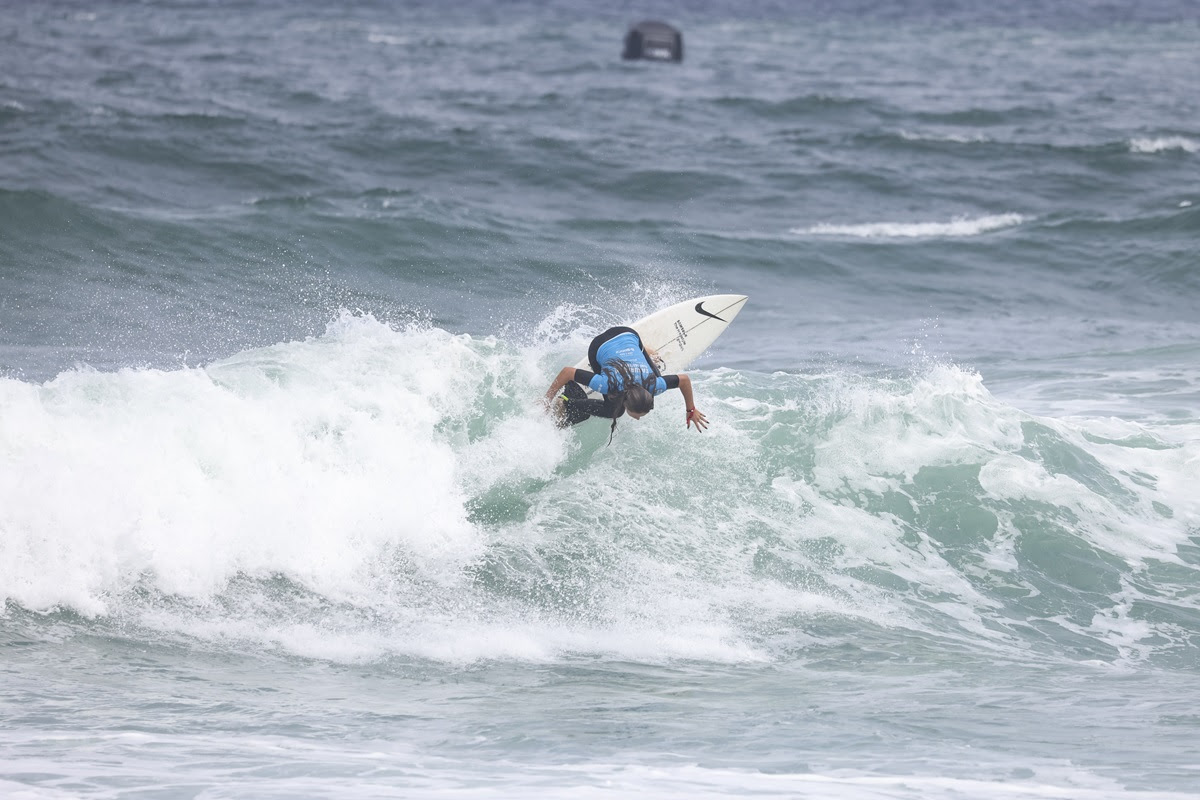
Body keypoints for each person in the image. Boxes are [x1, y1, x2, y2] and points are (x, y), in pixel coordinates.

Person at [544, 326, 709, 441]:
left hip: (629, 334)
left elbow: (684, 380)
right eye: (637, 415)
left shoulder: (654, 385)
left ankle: (646, 351)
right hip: (598, 345)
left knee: (655, 374)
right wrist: (548, 399)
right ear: (625, 401)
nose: (637, 419)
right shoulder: (608, 384)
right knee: (612, 410)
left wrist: (691, 410)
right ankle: (565, 404)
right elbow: (567, 372)